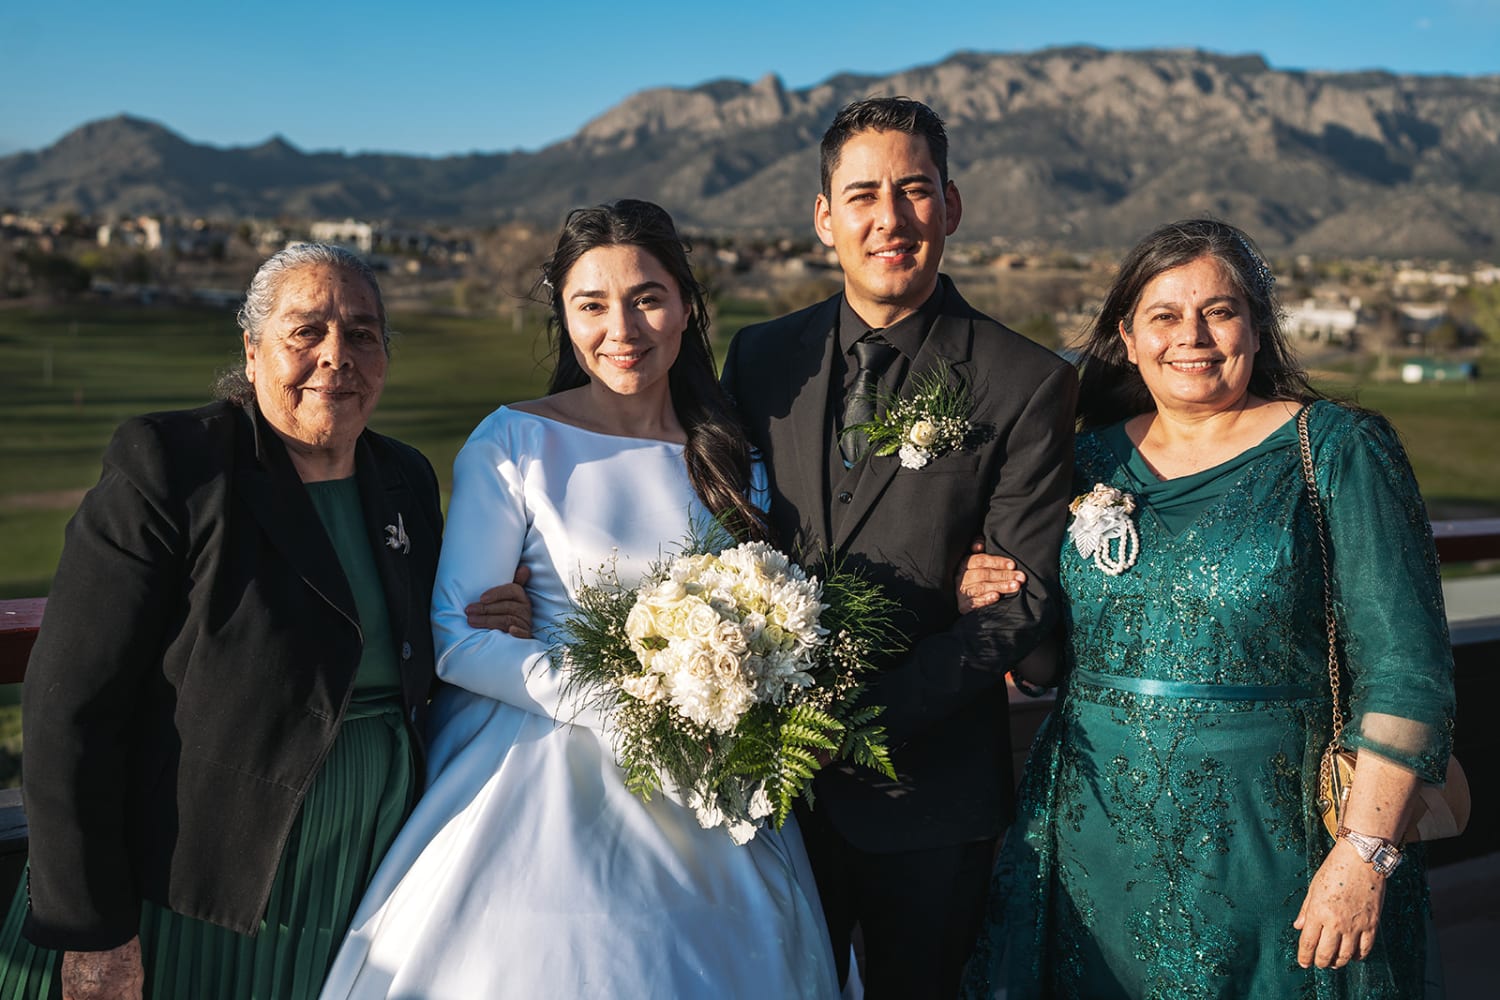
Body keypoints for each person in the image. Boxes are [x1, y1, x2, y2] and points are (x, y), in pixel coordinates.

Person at [318, 199, 839, 999]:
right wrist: (621, 708)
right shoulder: (515, 442)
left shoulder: (735, 455)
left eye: (647, 298)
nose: (621, 329)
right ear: (563, 316)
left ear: (688, 306)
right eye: (591, 305)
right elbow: (460, 635)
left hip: (711, 777)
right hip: (536, 756)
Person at [960, 218, 1456, 999]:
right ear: (1125, 337)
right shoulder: (1084, 461)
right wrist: (994, 594)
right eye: (1162, 315)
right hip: (1092, 842)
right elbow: (1047, 665)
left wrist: (1364, 855)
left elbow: (1408, 672)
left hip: (1278, 847)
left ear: (1258, 327)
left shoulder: (1336, 449)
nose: (1190, 336)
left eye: (1220, 311)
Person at [0, 244, 444, 1000]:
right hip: (191, 889)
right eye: (307, 331)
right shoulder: (175, 466)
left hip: (361, 883)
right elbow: (67, 706)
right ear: (251, 347)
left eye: (363, 333)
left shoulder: (404, 478)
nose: (337, 355)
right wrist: (93, 932)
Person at [719, 97, 1078, 998]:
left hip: (929, 799)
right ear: (824, 214)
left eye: (914, 191)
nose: (891, 218)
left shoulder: (1026, 381)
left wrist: (853, 728)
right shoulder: (760, 358)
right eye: (865, 193)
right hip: (766, 795)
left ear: (949, 208)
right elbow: (721, 532)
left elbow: (1025, 597)